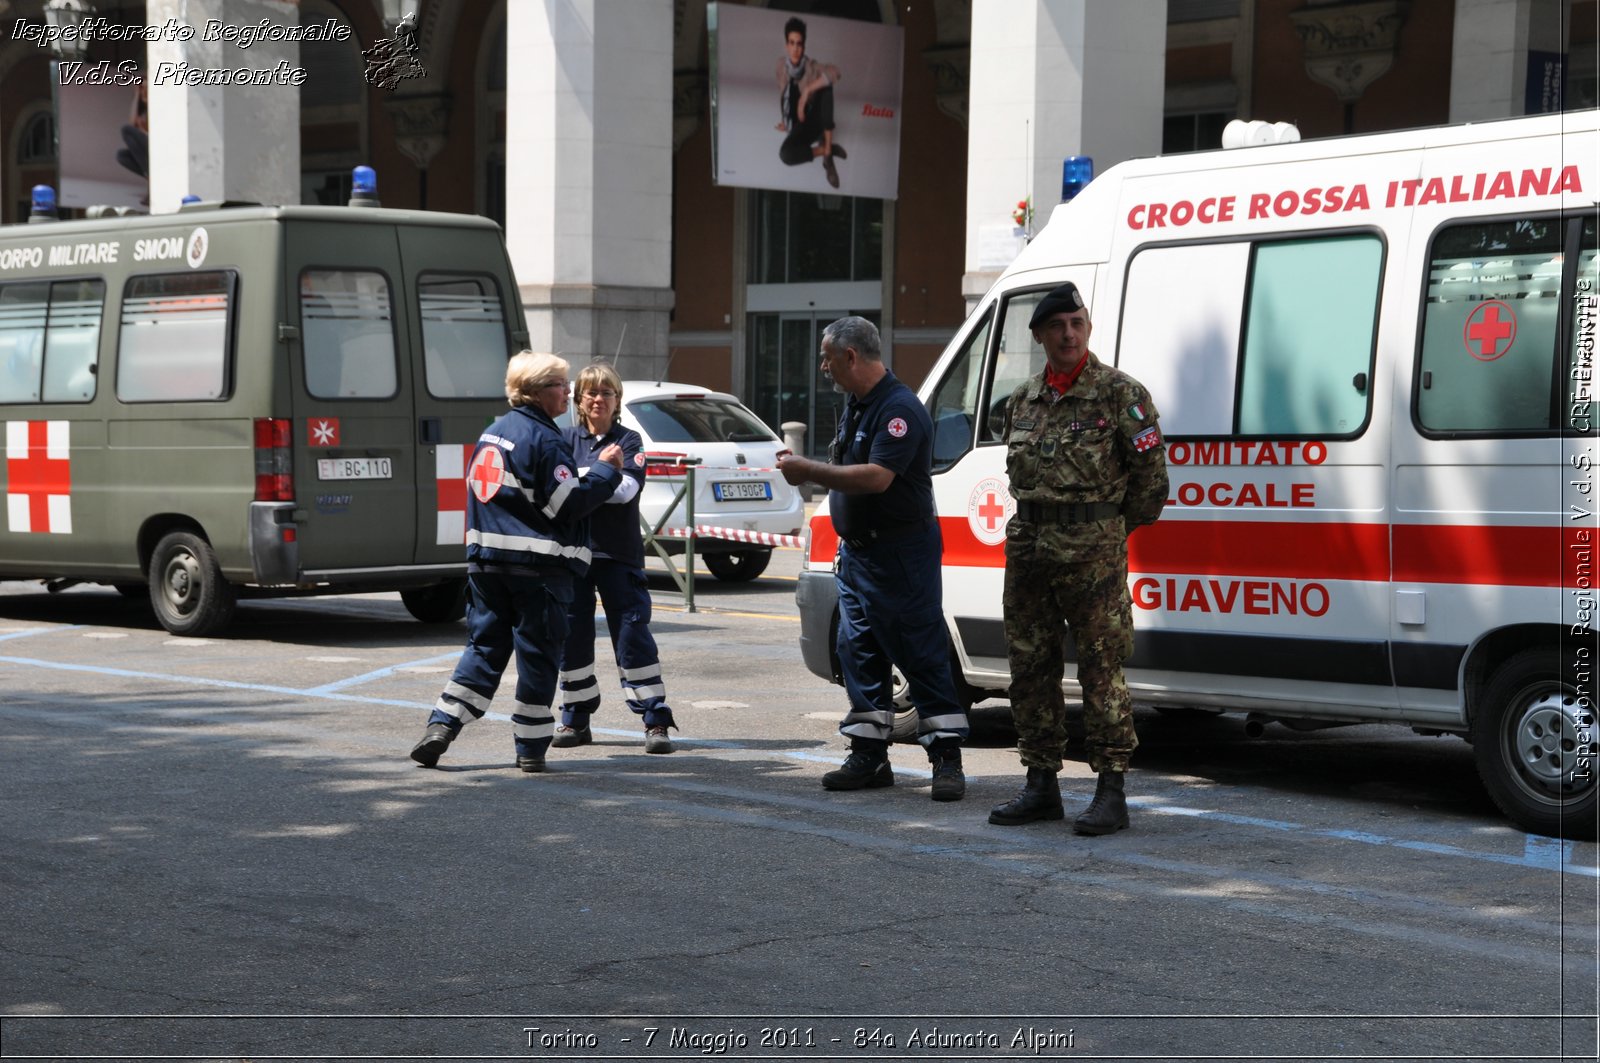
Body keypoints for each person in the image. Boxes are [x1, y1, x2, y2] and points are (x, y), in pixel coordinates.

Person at [987, 282, 1169, 835]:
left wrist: (1107, 528)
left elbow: (1151, 484)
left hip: (1093, 555)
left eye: (1077, 322)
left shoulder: (1120, 394)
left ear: (1087, 328)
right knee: (1030, 667)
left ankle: (1111, 791)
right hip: (1030, 550)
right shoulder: (1021, 401)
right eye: (1058, 326)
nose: (1069, 333)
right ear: (1040, 335)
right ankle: (1041, 783)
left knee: (1100, 670)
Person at [777, 316, 968, 801]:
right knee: (858, 652)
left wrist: (807, 471)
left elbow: (878, 477)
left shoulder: (898, 408)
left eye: (826, 358)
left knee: (920, 653)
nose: (824, 368)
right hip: (859, 557)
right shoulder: (858, 407)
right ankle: (868, 755)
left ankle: (946, 759)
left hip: (900, 554)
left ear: (851, 357)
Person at [409, 352, 624, 773]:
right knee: (539, 656)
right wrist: (604, 471)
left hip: (487, 567)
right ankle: (529, 748)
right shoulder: (545, 439)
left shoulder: (492, 434)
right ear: (538, 391)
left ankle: (442, 726)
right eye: (561, 384)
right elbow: (569, 504)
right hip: (538, 571)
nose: (568, 391)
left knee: (484, 648)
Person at [554, 363, 678, 755]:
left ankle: (655, 721)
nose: (598, 399)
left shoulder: (630, 440)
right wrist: (602, 471)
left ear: (617, 400)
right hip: (572, 556)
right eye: (590, 392)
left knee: (632, 637)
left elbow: (623, 491)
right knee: (572, 639)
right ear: (578, 401)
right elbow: (558, 489)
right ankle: (575, 718)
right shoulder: (562, 439)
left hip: (618, 557)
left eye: (606, 392)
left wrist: (581, 477)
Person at [774, 16, 846, 189]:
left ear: (803, 46)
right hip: (798, 129)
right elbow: (785, 96)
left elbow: (836, 73)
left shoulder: (811, 67)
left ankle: (828, 157)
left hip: (811, 122)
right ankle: (826, 150)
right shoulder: (780, 67)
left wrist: (807, 91)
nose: (795, 49)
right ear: (786, 45)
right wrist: (786, 121)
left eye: (799, 44)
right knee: (785, 155)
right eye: (791, 43)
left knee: (826, 86)